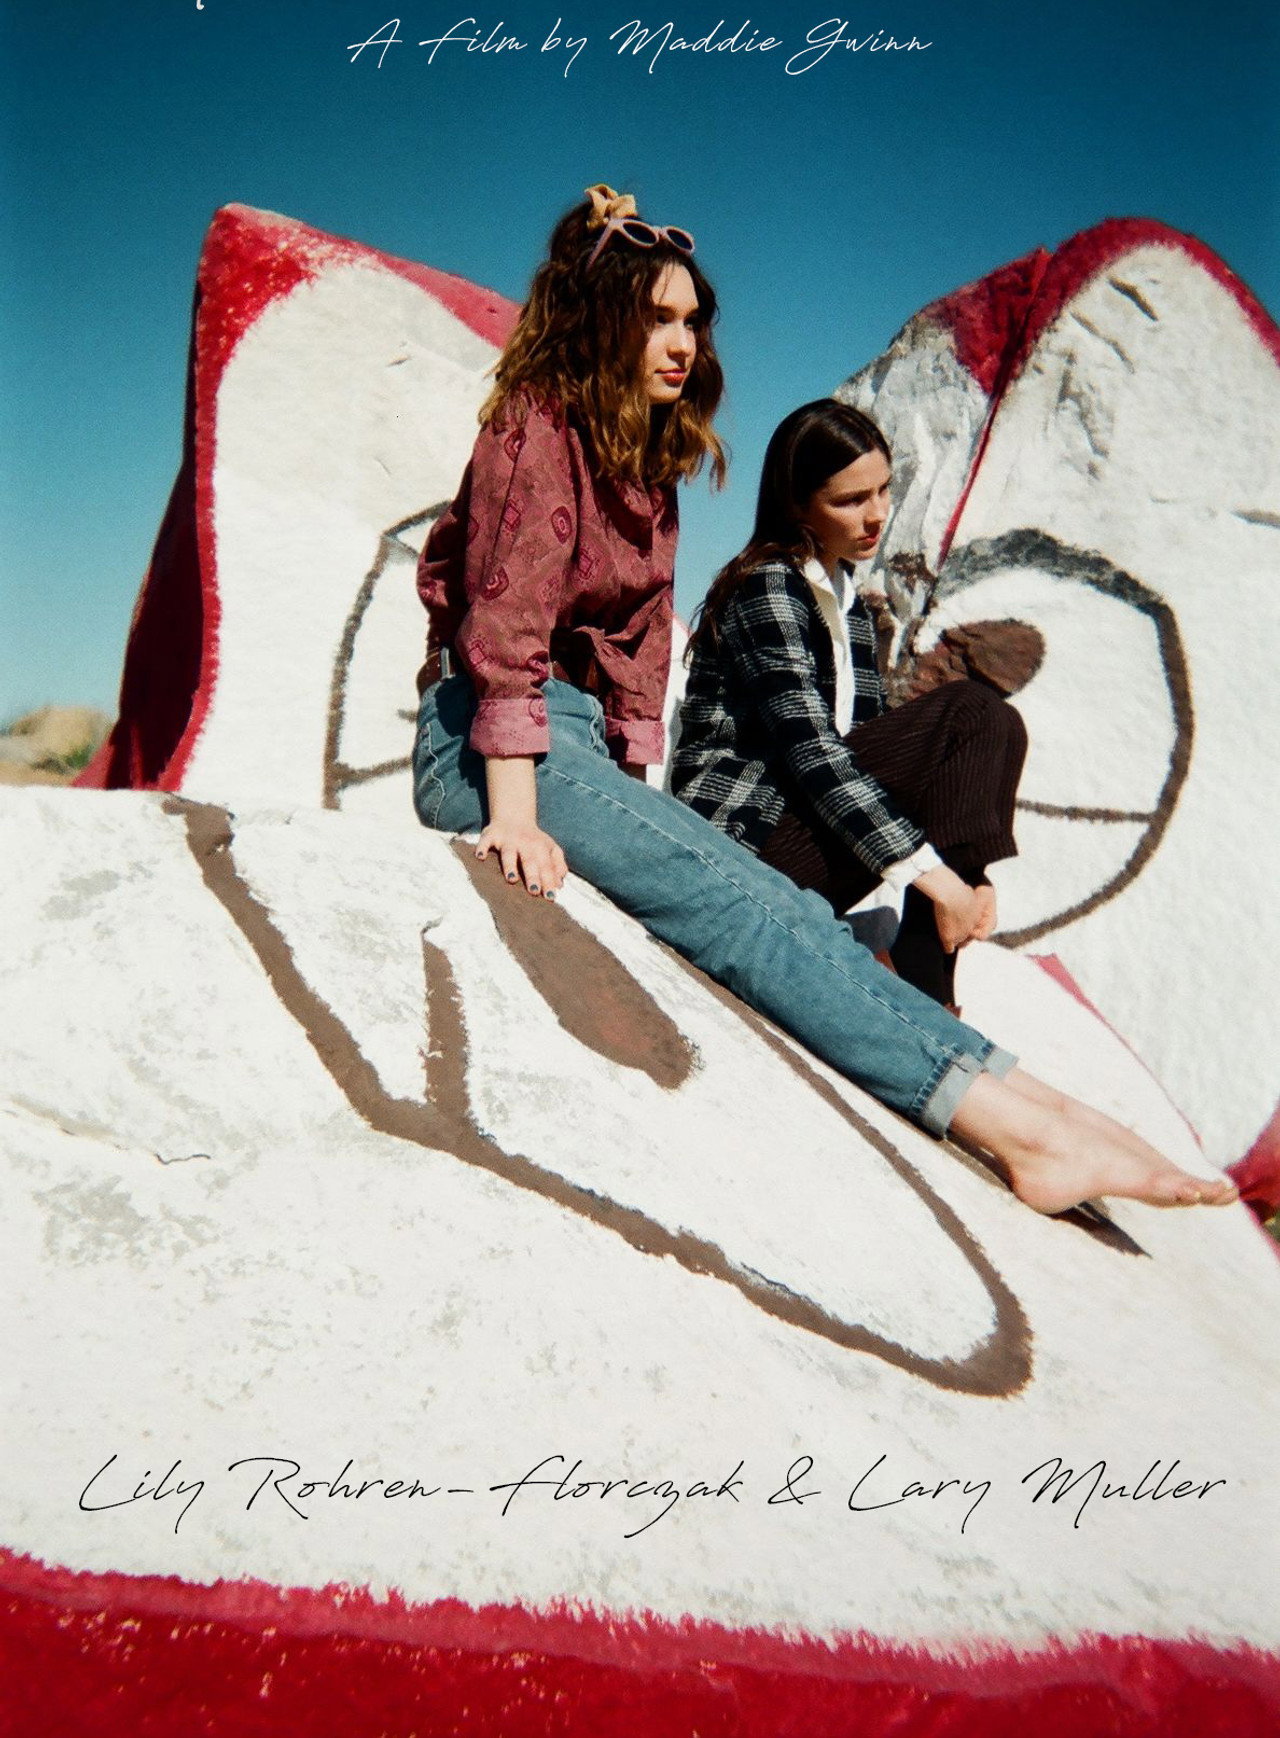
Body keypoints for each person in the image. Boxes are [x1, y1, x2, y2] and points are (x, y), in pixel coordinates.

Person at [412, 184, 1235, 1215]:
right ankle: (1014, 1127)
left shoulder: (648, 468)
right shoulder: (536, 423)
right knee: (744, 911)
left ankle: (1038, 1101)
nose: (683, 343)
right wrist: (516, 815)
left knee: (786, 908)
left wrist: (630, 806)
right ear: (599, 322)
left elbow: (635, 663)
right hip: (489, 750)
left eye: (692, 320)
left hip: (569, 752)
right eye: (657, 318)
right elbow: (504, 627)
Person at [673, 398, 1025, 1010]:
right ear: (796, 504)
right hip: (740, 844)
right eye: (851, 500)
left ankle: (930, 998)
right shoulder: (768, 585)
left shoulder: (850, 607)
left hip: (797, 834)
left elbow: (878, 757)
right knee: (971, 712)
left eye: (884, 490)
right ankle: (927, 990)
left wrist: (970, 873)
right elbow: (814, 754)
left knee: (998, 721)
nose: (877, 514)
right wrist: (938, 880)